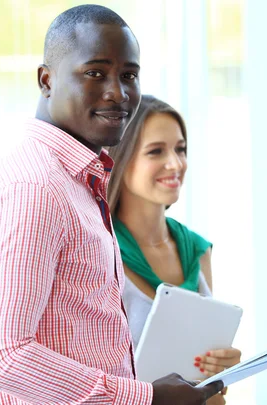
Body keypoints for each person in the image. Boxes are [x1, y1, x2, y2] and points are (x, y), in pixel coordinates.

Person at [0, 5, 222, 405]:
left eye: (129, 75)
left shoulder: (77, 181)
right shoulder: (33, 188)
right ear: (46, 80)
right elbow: (6, 356)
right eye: (95, 73)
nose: (117, 92)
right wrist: (145, 399)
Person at [106, 95, 242, 405]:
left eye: (180, 149)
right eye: (156, 151)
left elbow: (205, 382)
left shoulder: (196, 249)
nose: (176, 163)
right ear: (121, 159)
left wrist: (222, 368)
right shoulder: (102, 250)